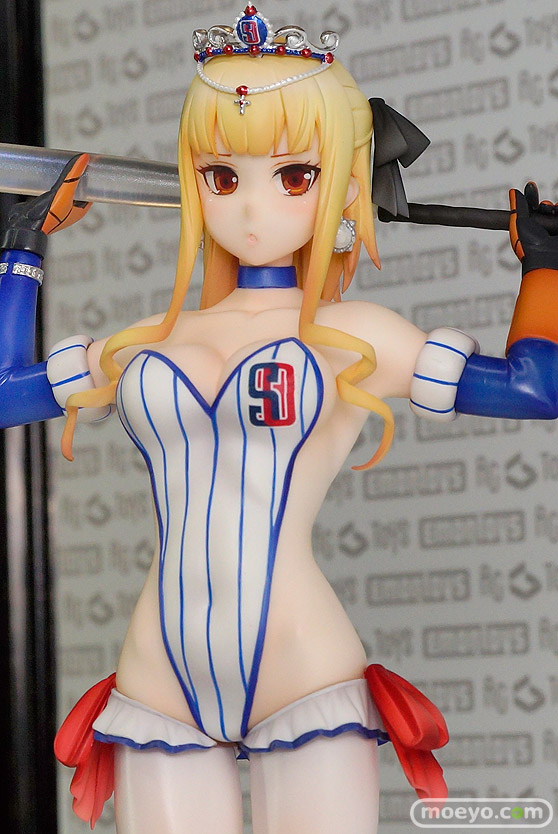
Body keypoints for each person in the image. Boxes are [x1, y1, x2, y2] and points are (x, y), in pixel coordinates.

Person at [1, 6, 557, 834]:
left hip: (302, 664)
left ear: (344, 182)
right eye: (223, 178)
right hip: (158, 673)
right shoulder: (146, 340)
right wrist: (20, 252)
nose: (251, 208)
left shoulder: (356, 335)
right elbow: (6, 394)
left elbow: (534, 389)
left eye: (294, 176)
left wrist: (544, 269)